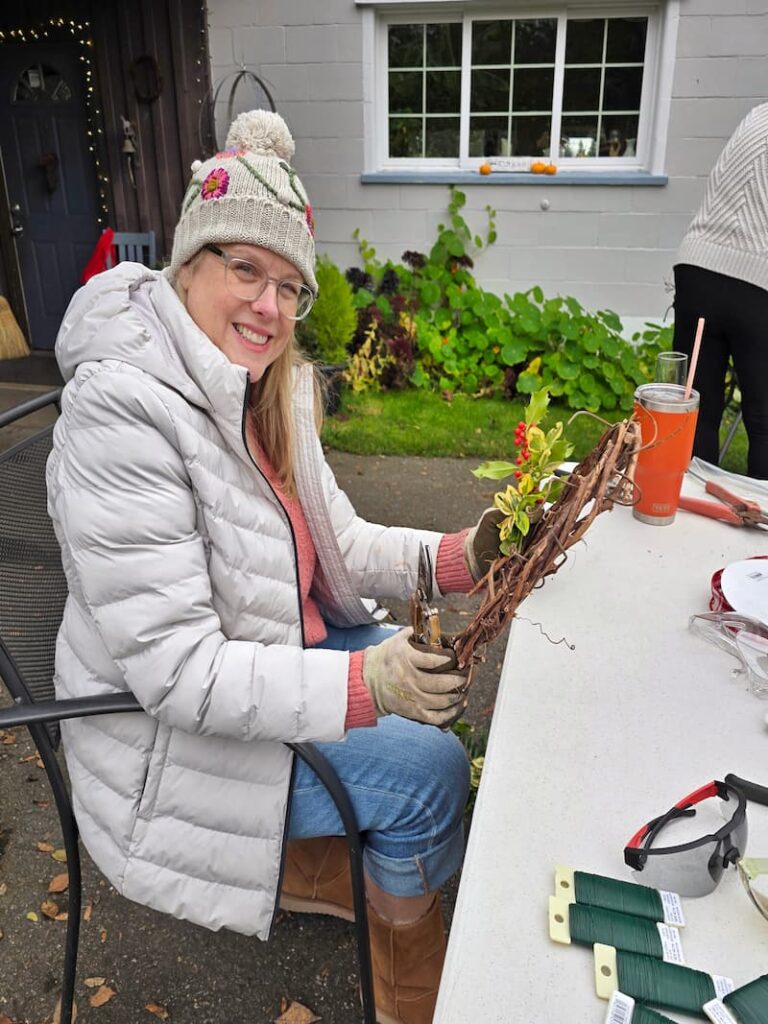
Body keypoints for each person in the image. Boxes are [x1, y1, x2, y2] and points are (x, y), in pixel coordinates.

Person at [46, 110, 503, 1024]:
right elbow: (179, 675)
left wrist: (460, 557)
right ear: (188, 266)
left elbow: (337, 541)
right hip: (161, 742)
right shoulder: (123, 414)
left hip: (260, 654)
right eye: (245, 269)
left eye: (290, 285)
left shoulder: (267, 387)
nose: (271, 306)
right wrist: (368, 682)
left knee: (435, 700)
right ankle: (412, 986)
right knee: (432, 773)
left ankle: (334, 865)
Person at [673, 101, 768, 480]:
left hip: (696, 267)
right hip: (756, 277)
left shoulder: (758, 114)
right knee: (764, 424)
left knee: (696, 412)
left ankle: (685, 513)